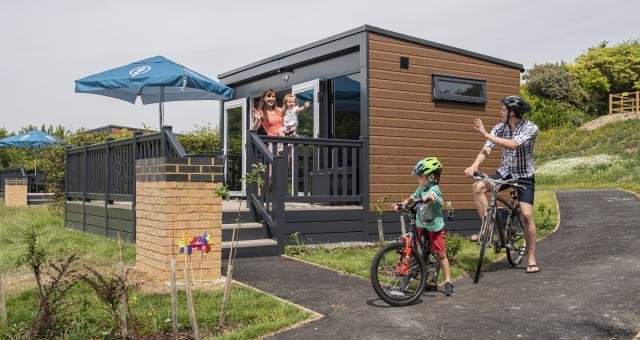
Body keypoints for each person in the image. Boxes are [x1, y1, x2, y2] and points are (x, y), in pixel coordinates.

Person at [463, 96, 540, 274]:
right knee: (478, 187)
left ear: (512, 113)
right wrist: (475, 165)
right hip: (504, 173)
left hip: (524, 176)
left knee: (527, 215)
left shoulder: (530, 127)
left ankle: (531, 258)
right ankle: (487, 230)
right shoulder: (499, 127)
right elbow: (487, 149)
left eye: (503, 110)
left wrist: (486, 134)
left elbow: (513, 145)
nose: (500, 112)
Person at [395, 157, 455, 296]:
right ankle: (410, 274)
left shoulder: (435, 189)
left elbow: (433, 196)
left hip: (434, 227)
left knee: (440, 254)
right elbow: (411, 198)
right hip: (421, 224)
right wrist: (402, 204)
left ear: (432, 177)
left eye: (421, 177)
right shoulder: (421, 188)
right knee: (413, 250)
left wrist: (427, 198)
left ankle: (448, 281)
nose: (418, 180)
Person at [250, 89, 285, 153]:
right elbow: (253, 129)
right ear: (264, 99)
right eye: (269, 96)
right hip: (274, 143)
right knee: (275, 163)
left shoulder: (280, 110)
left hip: (285, 141)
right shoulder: (261, 112)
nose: (271, 99)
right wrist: (258, 120)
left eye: (273, 96)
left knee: (288, 162)